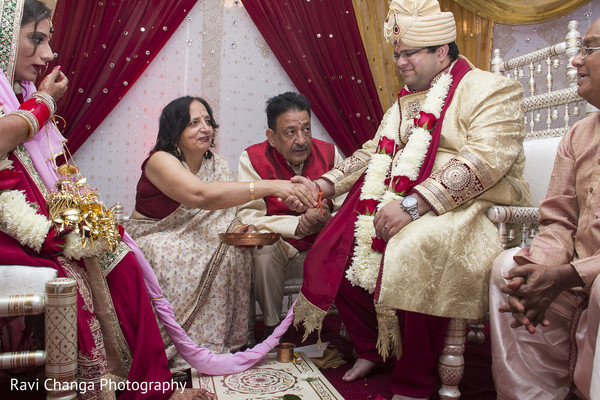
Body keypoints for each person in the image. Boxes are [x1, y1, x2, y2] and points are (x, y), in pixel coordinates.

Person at [290, 0, 531, 398]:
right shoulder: (406, 100)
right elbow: (373, 152)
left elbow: (487, 160)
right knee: (337, 242)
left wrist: (411, 206)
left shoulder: (489, 87)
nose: (399, 62)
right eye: (396, 54)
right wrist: (325, 185)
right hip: (404, 198)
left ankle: (415, 377)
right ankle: (374, 348)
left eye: (408, 53)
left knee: (410, 245)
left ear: (441, 51)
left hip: (472, 204)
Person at [0, 1, 211, 399]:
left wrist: (85, 215)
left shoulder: (21, 92)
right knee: (72, 279)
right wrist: (45, 103)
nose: (48, 55)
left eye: (47, 40)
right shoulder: (33, 97)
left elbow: (56, 173)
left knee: (122, 258)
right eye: (36, 39)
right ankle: (86, 391)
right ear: (4, 39)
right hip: (7, 230)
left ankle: (152, 389)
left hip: (45, 218)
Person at [125, 95, 315, 371]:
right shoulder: (160, 161)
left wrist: (240, 229)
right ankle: (173, 346)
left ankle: (218, 344)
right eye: (193, 122)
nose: (205, 128)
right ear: (175, 130)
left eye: (208, 121)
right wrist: (271, 186)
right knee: (170, 251)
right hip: (156, 233)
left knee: (235, 252)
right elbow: (200, 196)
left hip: (198, 234)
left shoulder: (218, 164)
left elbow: (224, 215)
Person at [489, 17, 600, 400]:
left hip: (591, 275)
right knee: (510, 268)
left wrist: (568, 274)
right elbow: (559, 219)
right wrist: (540, 272)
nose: (576, 61)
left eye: (589, 50)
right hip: (574, 269)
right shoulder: (579, 134)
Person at [236, 91, 345, 337]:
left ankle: (350, 328)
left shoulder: (329, 153)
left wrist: (325, 220)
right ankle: (273, 330)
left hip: (323, 240)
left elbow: (347, 208)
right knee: (263, 248)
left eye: (306, 130)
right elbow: (248, 216)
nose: (301, 140)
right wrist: (296, 226)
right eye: (290, 132)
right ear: (271, 137)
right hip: (282, 242)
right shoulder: (252, 158)